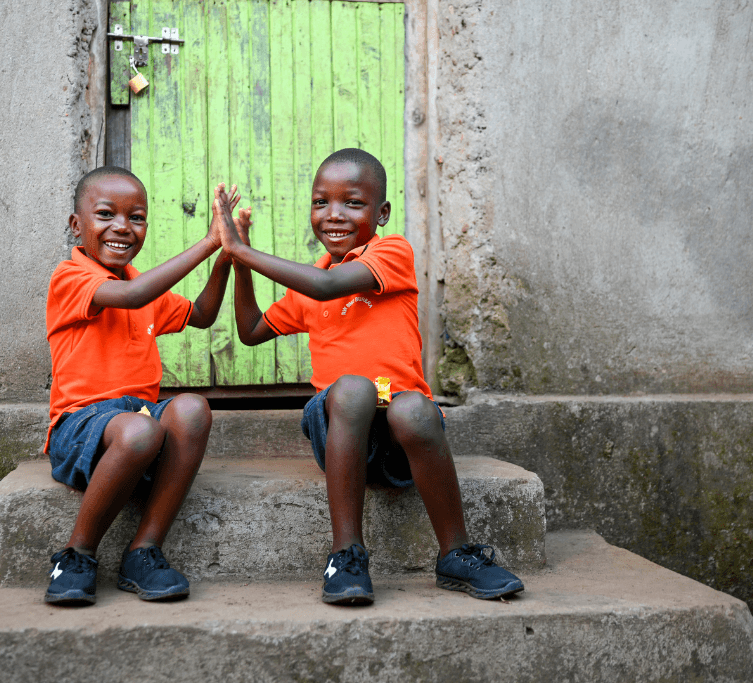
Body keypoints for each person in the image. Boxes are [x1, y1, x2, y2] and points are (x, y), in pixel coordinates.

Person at [216, 148, 524, 604]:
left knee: (414, 406)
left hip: (403, 444)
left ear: (381, 213)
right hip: (343, 431)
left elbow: (326, 287)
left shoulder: (390, 252)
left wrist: (244, 248)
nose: (333, 215)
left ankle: (456, 553)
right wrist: (240, 267)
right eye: (321, 202)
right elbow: (250, 330)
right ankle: (346, 553)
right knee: (354, 389)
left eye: (352, 203)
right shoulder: (311, 281)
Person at [43, 166, 237, 606]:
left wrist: (226, 256)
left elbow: (202, 314)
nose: (122, 228)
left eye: (137, 217)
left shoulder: (138, 286)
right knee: (141, 428)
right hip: (81, 428)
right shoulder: (72, 279)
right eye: (106, 214)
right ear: (77, 225)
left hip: (138, 427)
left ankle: (144, 550)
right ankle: (76, 554)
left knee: (191, 408)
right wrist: (207, 242)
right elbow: (130, 298)